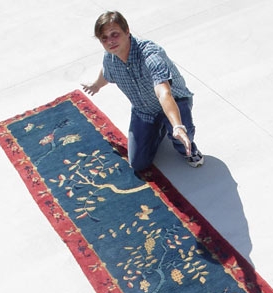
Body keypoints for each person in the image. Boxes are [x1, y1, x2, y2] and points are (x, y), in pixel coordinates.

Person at [82, 11, 204, 174]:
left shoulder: (151, 55)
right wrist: (96, 85)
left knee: (182, 135)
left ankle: (187, 148)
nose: (110, 41)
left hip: (175, 102)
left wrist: (177, 126)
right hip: (144, 110)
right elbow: (106, 72)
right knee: (138, 163)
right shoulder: (110, 57)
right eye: (104, 38)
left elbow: (164, 94)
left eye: (114, 34)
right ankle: (160, 128)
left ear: (127, 31)